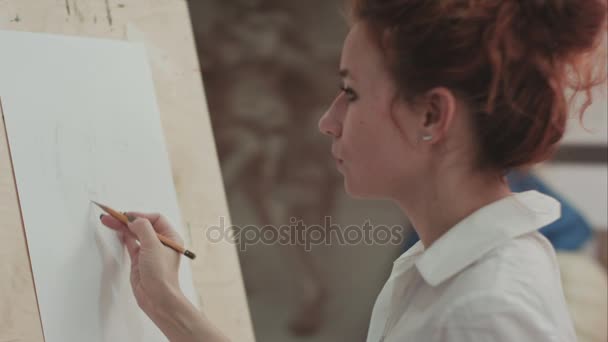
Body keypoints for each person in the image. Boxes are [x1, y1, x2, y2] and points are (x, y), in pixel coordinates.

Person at [100, 0, 607, 341]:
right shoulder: (441, 269)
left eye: (352, 92)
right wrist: (166, 303)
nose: (328, 121)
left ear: (431, 115)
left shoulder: (485, 312)